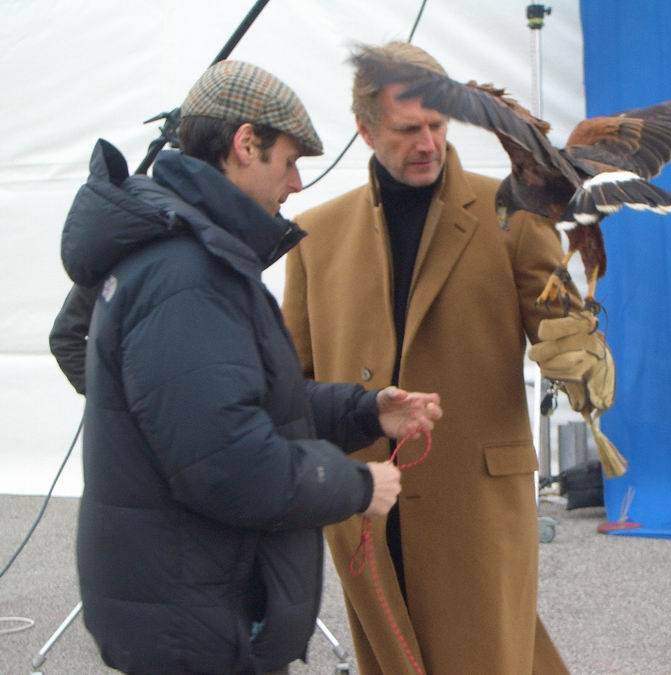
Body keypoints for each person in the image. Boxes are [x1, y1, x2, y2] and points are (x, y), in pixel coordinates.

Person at [57, 60, 442, 674]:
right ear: (244, 144)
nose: (296, 183)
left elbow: (244, 401)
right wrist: (358, 487)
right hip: (196, 624)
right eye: (289, 161)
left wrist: (365, 412)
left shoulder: (194, 257)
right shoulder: (186, 276)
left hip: (196, 606)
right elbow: (228, 463)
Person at [282, 42, 570, 674]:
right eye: (408, 129)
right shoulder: (315, 236)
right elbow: (289, 386)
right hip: (367, 503)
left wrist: (582, 354)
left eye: (438, 125)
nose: (428, 144)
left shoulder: (514, 216)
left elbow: (567, 341)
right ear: (364, 129)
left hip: (476, 499)